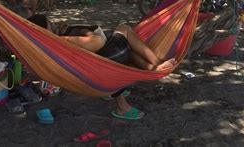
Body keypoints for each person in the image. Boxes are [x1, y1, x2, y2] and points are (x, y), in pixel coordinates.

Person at [27, 14, 177, 120]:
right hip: (104, 63)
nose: (54, 25)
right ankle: (157, 64)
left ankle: (153, 68)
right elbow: (97, 43)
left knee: (127, 49)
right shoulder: (61, 38)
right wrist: (60, 37)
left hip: (98, 65)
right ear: (46, 30)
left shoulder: (47, 47)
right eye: (50, 24)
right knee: (124, 28)